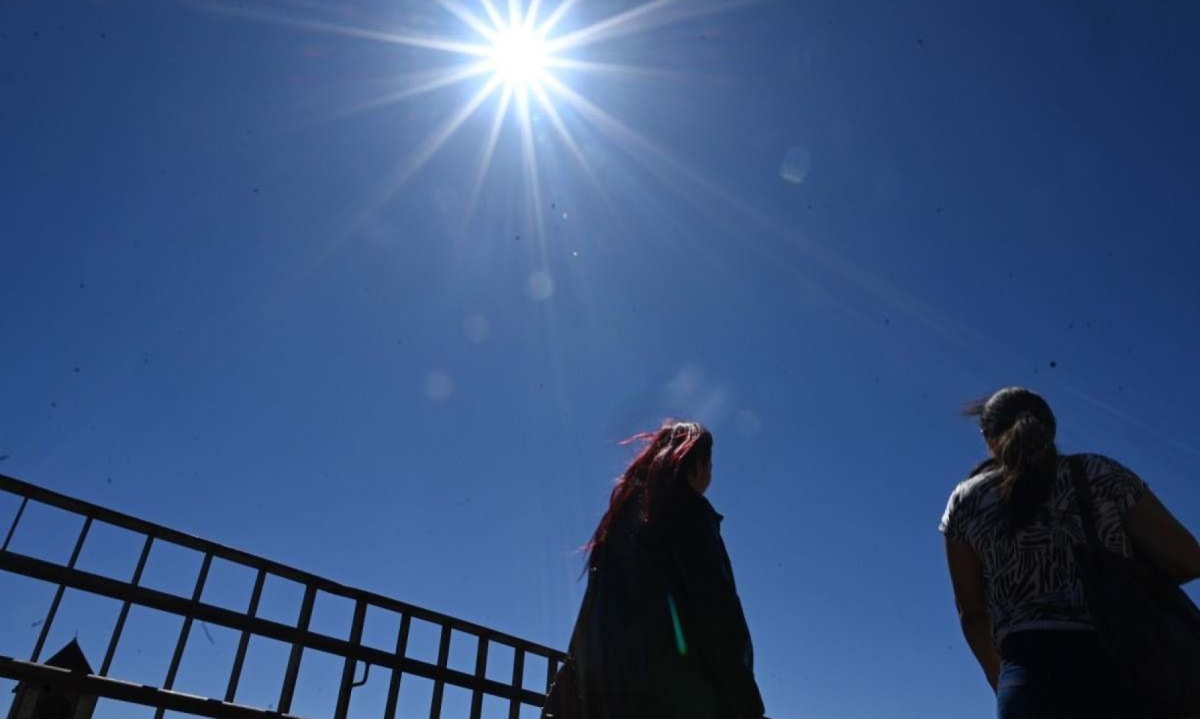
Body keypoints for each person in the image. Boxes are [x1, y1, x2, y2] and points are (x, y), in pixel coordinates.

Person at [940, 387, 1200, 718]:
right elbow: (1188, 559)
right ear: (1050, 428)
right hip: (1124, 663)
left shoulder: (965, 501)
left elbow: (974, 616)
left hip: (1028, 679)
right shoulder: (1100, 473)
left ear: (987, 437)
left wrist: (1004, 683)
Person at [562, 420, 764, 719]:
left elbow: (590, 618)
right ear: (695, 466)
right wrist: (745, 702)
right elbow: (715, 613)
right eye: (708, 463)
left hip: (608, 698)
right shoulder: (690, 516)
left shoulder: (617, 526)